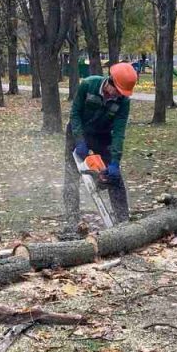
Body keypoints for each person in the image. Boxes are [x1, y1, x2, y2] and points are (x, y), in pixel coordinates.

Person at [63, 62, 138, 232]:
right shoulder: (88, 85)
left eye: (122, 94)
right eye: (117, 91)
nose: (118, 96)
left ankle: (123, 221)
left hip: (102, 136)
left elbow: (119, 132)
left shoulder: (123, 102)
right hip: (77, 132)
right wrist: (79, 140)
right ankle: (71, 219)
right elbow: (75, 114)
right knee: (71, 176)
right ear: (110, 82)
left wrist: (115, 161)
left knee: (114, 178)